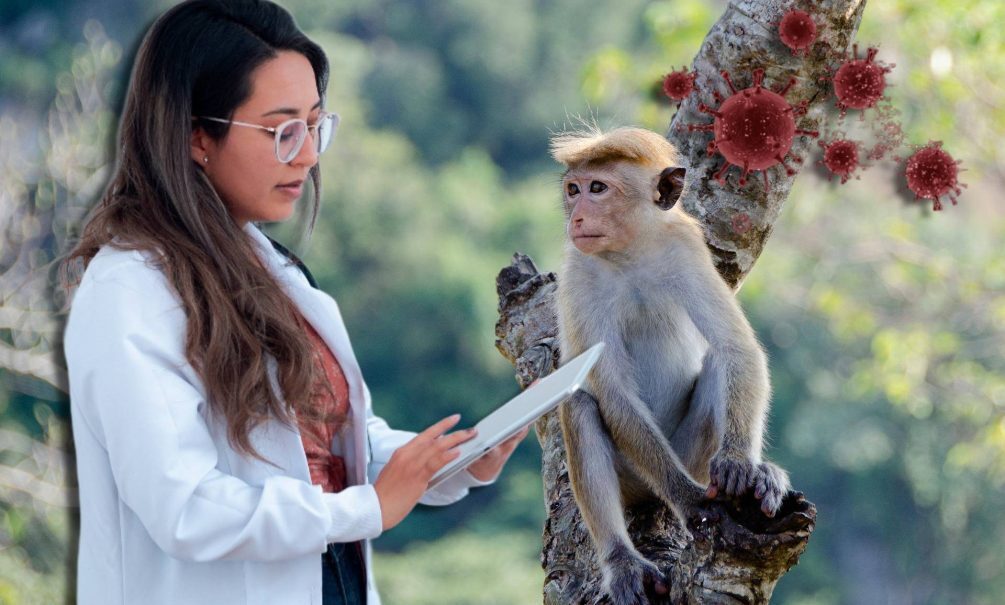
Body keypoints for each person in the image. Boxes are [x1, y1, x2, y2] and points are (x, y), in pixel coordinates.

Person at [57, 1, 528, 603]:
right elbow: (185, 506)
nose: (307, 154)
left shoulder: (268, 268)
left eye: (314, 124)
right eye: (282, 129)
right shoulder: (129, 292)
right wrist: (363, 510)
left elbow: (321, 450)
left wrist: (443, 466)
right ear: (197, 136)